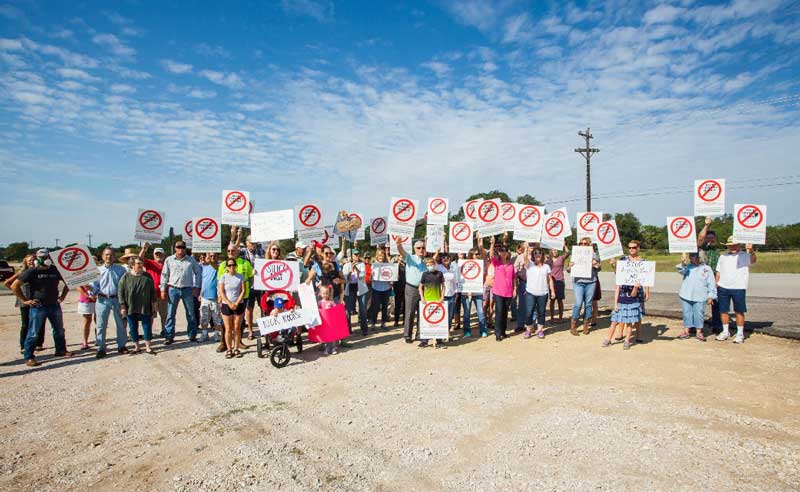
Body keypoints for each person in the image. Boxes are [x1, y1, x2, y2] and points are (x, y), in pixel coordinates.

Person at [11, 249, 72, 366]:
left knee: (59, 329)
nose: (44, 259)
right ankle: (29, 356)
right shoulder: (32, 271)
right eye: (41, 257)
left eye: (46, 256)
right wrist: (25, 300)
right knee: (33, 332)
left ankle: (61, 350)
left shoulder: (55, 270)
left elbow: (69, 282)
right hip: (38, 306)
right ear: (37, 258)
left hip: (54, 304)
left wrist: (63, 296)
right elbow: (15, 285)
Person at [715, 237, 757, 344]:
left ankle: (740, 333)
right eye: (730, 245)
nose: (732, 247)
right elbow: (718, 271)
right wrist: (716, 285)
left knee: (739, 310)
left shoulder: (744, 255)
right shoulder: (723, 256)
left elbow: (753, 260)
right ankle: (725, 331)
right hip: (723, 286)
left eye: (734, 244)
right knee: (723, 310)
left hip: (738, 287)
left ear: (739, 245)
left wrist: (751, 250)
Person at [159, 240, 202, 345]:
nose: (181, 249)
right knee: (170, 314)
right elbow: (164, 275)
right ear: (175, 248)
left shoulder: (191, 260)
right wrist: (163, 289)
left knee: (191, 313)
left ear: (185, 248)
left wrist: (196, 287)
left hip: (187, 289)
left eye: (183, 247)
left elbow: (198, 273)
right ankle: (169, 336)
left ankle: (192, 335)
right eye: (178, 247)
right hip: (173, 289)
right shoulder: (169, 260)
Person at [609, 240, 650, 342]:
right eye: (630, 247)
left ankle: (639, 335)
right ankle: (620, 332)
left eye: (634, 247)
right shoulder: (623, 260)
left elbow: (647, 278)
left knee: (637, 313)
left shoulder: (644, 262)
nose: (631, 249)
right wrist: (613, 265)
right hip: (624, 291)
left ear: (638, 248)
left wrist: (647, 292)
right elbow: (617, 273)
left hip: (638, 291)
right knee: (623, 312)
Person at [91, 247, 128, 358]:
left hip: (117, 299)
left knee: (121, 324)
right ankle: (101, 348)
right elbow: (95, 285)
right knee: (101, 325)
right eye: (106, 254)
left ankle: (122, 346)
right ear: (102, 257)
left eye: (111, 255)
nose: (109, 257)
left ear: (114, 256)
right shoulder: (97, 270)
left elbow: (124, 286)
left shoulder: (121, 270)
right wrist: (91, 291)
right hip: (102, 300)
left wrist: (124, 302)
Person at [4, 254, 45, 353]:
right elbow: (7, 283)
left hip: (37, 300)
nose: (32, 262)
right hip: (25, 301)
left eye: (34, 260)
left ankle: (39, 343)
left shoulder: (39, 271)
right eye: (30, 260)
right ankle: (23, 345)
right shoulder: (22, 273)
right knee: (26, 324)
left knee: (40, 323)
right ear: (26, 262)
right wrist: (19, 293)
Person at [118, 257, 159, 355]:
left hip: (145, 307)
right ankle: (137, 347)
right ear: (132, 265)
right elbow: (120, 292)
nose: (141, 265)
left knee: (147, 327)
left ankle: (148, 347)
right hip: (130, 307)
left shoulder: (147, 276)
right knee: (133, 328)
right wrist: (122, 305)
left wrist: (154, 304)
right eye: (138, 263)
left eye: (141, 263)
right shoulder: (125, 277)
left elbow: (152, 292)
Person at [230, 228, 265, 340]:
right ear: (246, 243)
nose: (253, 245)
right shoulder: (242, 252)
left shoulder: (261, 251)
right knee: (249, 308)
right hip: (248, 285)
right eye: (251, 243)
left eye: (254, 243)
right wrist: (236, 235)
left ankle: (264, 329)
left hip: (260, 285)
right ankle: (250, 331)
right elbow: (233, 249)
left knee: (263, 307)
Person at [675, 252, 717, 342]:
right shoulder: (688, 267)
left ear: (700, 257)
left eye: (693, 255)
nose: (691, 257)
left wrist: (711, 296)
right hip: (686, 294)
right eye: (690, 255)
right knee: (687, 313)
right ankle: (686, 331)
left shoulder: (707, 269)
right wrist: (682, 263)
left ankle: (699, 331)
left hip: (700, 295)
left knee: (699, 313)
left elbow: (711, 283)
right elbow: (680, 270)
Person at [218, 243, 254, 348]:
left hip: (243, 296)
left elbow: (250, 278)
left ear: (237, 251)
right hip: (227, 298)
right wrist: (219, 295)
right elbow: (218, 281)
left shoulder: (245, 263)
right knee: (225, 323)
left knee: (240, 323)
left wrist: (245, 291)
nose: (230, 253)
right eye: (228, 251)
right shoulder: (223, 264)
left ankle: (239, 343)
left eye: (233, 251)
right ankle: (224, 344)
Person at [397, 238, 428, 344]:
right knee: (410, 312)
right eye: (419, 248)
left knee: (421, 312)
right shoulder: (410, 258)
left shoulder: (426, 261)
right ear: (414, 249)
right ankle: (407, 335)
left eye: (423, 248)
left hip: (423, 290)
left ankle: (420, 334)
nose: (421, 249)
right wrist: (398, 244)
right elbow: (401, 251)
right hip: (411, 288)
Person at [568, 237, 600, 336]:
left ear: (589, 245)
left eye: (585, 243)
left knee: (588, 304)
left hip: (591, 282)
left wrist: (596, 265)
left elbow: (599, 268)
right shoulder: (575, 254)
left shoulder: (594, 255)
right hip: (578, 282)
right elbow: (568, 270)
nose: (583, 245)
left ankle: (586, 325)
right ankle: (573, 326)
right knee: (578, 303)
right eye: (581, 243)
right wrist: (570, 266)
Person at [522, 245, 555, 339]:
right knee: (529, 312)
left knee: (541, 312)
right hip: (530, 293)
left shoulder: (546, 267)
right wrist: (526, 248)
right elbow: (525, 258)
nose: (537, 255)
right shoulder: (529, 265)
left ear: (542, 255)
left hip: (543, 293)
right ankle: (529, 329)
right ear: (532, 255)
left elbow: (550, 280)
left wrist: (552, 291)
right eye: (535, 253)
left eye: (539, 253)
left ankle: (540, 330)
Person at [486, 236, 515, 341]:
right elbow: (490, 255)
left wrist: (514, 289)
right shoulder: (496, 263)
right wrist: (492, 244)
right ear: (499, 253)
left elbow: (513, 278)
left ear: (508, 253)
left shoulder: (511, 265)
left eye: (505, 251)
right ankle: (497, 333)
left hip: (508, 292)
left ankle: (503, 331)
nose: (503, 252)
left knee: (505, 312)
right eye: (501, 251)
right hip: (498, 292)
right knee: (499, 311)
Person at [697, 217, 722, 332]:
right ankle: (696, 325)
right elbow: (700, 238)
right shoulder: (702, 248)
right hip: (701, 278)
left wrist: (717, 281)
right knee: (698, 304)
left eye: (712, 238)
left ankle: (716, 325)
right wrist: (706, 225)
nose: (710, 240)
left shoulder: (718, 250)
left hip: (714, 279)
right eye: (708, 238)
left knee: (716, 303)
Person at [219, 258, 246, 358]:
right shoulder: (223, 277)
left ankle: (236, 348)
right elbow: (221, 292)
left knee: (237, 328)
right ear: (226, 267)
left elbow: (243, 291)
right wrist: (229, 303)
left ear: (236, 266)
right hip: (227, 304)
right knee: (228, 328)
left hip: (239, 304)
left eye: (233, 265)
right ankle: (229, 349)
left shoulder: (240, 276)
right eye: (229, 265)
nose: (231, 267)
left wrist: (237, 302)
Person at [139, 243, 168, 336]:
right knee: (150, 314)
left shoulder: (167, 264)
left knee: (164, 314)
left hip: (164, 293)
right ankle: (149, 332)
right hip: (151, 294)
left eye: (160, 254)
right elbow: (139, 259)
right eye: (156, 254)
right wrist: (144, 249)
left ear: (164, 255)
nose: (158, 255)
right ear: (154, 255)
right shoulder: (150, 263)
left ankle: (164, 330)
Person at [606, 281, 643, 350]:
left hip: (631, 304)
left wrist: (635, 287)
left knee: (629, 323)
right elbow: (617, 291)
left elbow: (633, 295)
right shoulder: (621, 278)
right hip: (620, 304)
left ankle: (627, 341)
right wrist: (615, 304)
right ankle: (608, 339)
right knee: (614, 322)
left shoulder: (634, 280)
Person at [418, 256, 445, 348]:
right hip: (427, 301)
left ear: (435, 264)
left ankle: (439, 341)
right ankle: (424, 341)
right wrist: (422, 297)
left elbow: (443, 286)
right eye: (428, 265)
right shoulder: (424, 274)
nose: (430, 266)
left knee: (438, 321)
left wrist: (442, 297)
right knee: (426, 321)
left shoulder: (440, 274)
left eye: (431, 264)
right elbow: (420, 287)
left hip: (437, 300)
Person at [460, 247, 487, 338]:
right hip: (466, 293)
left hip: (477, 292)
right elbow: (462, 277)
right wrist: (468, 289)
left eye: (477, 254)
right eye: (473, 254)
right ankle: (467, 331)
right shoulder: (464, 264)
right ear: (470, 255)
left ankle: (483, 330)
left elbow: (482, 278)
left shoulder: (481, 264)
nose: (475, 256)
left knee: (481, 312)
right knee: (467, 313)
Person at [342, 249, 369, 335]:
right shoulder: (346, 265)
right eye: (355, 255)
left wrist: (356, 268)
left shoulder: (362, 264)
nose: (357, 256)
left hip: (361, 289)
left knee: (362, 310)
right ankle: (348, 329)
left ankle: (364, 328)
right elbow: (345, 278)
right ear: (352, 256)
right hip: (350, 288)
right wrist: (349, 273)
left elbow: (361, 276)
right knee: (348, 310)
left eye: (358, 254)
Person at [200, 253, 224, 346]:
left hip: (215, 297)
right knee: (204, 318)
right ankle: (204, 334)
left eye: (214, 256)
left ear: (217, 257)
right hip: (205, 297)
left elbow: (216, 268)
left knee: (216, 318)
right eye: (211, 256)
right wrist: (200, 293)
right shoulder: (204, 268)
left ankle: (216, 334)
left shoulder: (219, 267)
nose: (212, 257)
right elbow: (203, 281)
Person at [369, 247, 392, 329]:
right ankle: (373, 323)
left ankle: (383, 323)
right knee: (376, 307)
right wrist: (372, 276)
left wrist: (391, 281)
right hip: (376, 289)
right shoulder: (373, 265)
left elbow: (391, 276)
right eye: (379, 256)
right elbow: (370, 278)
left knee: (385, 307)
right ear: (377, 256)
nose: (381, 257)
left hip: (386, 288)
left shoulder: (387, 265)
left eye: (382, 256)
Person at [546, 245, 570, 322]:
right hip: (551, 281)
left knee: (560, 300)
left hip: (560, 280)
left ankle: (560, 317)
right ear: (551, 251)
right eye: (553, 250)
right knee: (552, 300)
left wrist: (564, 245)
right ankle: (552, 317)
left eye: (556, 250)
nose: (555, 251)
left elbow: (567, 252)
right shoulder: (548, 260)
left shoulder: (561, 258)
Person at [437, 252, 459, 330]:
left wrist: (456, 293)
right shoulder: (438, 267)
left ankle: (447, 331)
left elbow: (455, 281)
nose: (446, 259)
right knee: (442, 315)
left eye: (447, 257)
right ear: (440, 259)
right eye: (443, 257)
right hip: (442, 295)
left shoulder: (453, 268)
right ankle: (441, 332)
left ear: (450, 259)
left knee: (450, 316)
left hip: (451, 295)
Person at [318, 285, 338, 355]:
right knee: (326, 336)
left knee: (332, 335)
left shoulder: (331, 302)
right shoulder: (320, 303)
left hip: (331, 322)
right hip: (324, 323)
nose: (325, 295)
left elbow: (335, 310)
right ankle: (327, 348)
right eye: (324, 293)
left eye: (327, 293)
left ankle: (333, 347)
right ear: (320, 294)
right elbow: (318, 311)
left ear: (329, 293)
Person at [513, 243, 528, 333]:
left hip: (533, 283)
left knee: (532, 305)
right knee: (521, 305)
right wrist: (515, 284)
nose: (527, 247)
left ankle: (532, 324)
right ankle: (520, 325)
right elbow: (515, 270)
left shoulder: (536, 255)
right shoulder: (520, 257)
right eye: (525, 246)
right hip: (523, 283)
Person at [76, 284, 96, 350]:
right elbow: (76, 285)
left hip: (99, 298)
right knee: (87, 321)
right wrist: (87, 295)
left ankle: (99, 340)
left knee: (99, 321)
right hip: (86, 300)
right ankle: (85, 342)